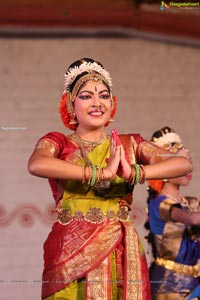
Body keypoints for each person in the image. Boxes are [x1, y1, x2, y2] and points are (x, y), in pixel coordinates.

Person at [28, 58, 193, 300]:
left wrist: (135, 172)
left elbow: (182, 163)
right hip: (69, 253)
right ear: (71, 104)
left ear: (112, 103)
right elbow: (37, 163)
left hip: (121, 252)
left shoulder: (130, 145)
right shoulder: (58, 142)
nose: (97, 103)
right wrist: (99, 173)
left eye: (104, 96)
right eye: (86, 96)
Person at [145, 126, 200, 300]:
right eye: (181, 163)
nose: (188, 168)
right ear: (165, 170)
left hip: (194, 282)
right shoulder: (159, 204)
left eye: (188, 162)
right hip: (169, 286)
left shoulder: (192, 202)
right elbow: (192, 219)